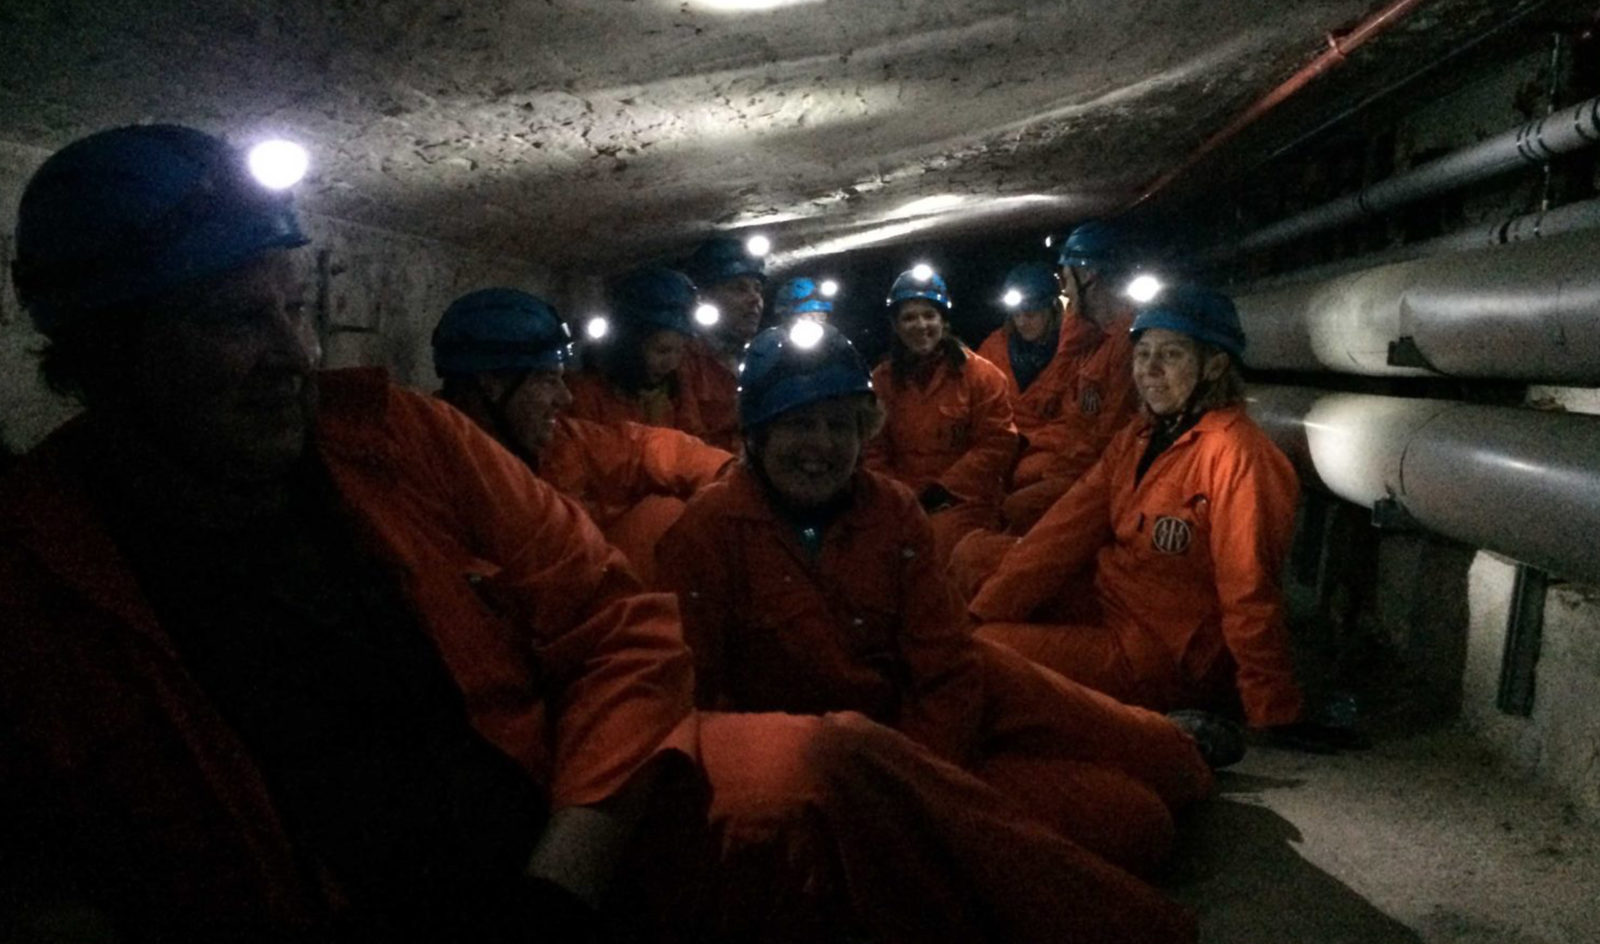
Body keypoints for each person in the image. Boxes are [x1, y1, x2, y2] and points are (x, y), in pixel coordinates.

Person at [0, 125, 1198, 944]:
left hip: (569, 808)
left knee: (865, 758)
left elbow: (619, 621)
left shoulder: (395, 441)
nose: (293, 355)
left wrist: (563, 879)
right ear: (105, 353)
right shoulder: (42, 580)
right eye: (230, 321)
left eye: (292, 308)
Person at [658, 320, 1217, 880]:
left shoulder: (890, 511)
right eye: (800, 425)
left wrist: (926, 768)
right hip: (856, 758)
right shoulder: (708, 535)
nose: (822, 446)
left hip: (936, 721)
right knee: (1138, 824)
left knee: (1056, 700)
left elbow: (946, 667)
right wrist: (901, 788)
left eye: (839, 425)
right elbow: (697, 702)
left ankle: (1182, 751)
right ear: (757, 435)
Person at [965, 284, 1313, 739]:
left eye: (1170, 355)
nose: (1149, 370)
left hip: (1162, 651)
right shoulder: (1142, 436)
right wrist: (981, 609)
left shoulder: (1238, 457)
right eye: (1142, 353)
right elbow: (1061, 533)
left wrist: (1272, 708)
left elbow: (1249, 589)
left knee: (985, 650)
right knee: (974, 556)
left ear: (1214, 365)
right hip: (1111, 602)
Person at [432, 287, 733, 583]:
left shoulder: (559, 441)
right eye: (548, 380)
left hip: (582, 592)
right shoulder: (436, 470)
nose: (565, 398)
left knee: (668, 509)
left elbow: (643, 448)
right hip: (542, 616)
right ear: (492, 383)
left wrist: (732, 475)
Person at [863, 268, 1019, 565]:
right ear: (896, 325)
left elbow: (997, 443)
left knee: (935, 547)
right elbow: (873, 450)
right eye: (909, 317)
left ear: (943, 321)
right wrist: (899, 495)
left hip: (964, 499)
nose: (920, 325)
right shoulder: (882, 382)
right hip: (901, 497)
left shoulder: (982, 376)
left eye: (929, 315)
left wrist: (944, 490)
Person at [999, 220, 1143, 532]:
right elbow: (1059, 400)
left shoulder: (1128, 345)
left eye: (1067, 277)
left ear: (1088, 274)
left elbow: (1106, 439)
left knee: (1015, 507)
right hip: (1074, 457)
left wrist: (1057, 475)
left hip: (1099, 477)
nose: (1064, 288)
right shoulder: (1089, 337)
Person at [976, 260, 1099, 478]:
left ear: (1052, 310)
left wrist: (1029, 441)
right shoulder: (994, 349)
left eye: (1030, 315)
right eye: (1017, 314)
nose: (1022, 322)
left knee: (1029, 476)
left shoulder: (1076, 351)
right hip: (1001, 445)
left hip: (1050, 451)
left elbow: (1075, 422)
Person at [565, 264, 712, 441]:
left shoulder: (676, 390)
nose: (672, 363)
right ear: (628, 346)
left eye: (680, 351)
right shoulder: (585, 395)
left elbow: (695, 441)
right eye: (662, 351)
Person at [679, 237, 766, 451]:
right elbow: (689, 442)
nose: (755, 299)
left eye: (758, 289)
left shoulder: (760, 357)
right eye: (739, 288)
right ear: (704, 298)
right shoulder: (684, 361)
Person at [768, 275, 835, 325]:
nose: (817, 322)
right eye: (810, 317)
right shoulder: (773, 338)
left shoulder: (833, 337)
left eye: (821, 317)